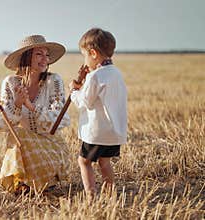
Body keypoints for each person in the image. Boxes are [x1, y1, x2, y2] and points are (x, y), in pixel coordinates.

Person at [0, 35, 70, 193]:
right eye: (39, 54)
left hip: (53, 148)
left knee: (20, 135)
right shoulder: (10, 83)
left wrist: (31, 106)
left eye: (46, 55)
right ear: (26, 57)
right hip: (25, 148)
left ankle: (39, 181)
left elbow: (61, 120)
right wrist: (16, 105)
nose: (45, 59)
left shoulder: (53, 81)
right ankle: (24, 183)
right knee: (16, 134)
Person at [69, 28, 128, 197]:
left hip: (97, 132)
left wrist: (74, 91)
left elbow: (85, 101)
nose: (85, 60)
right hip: (114, 132)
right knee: (105, 162)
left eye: (84, 55)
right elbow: (99, 96)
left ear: (93, 53)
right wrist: (84, 85)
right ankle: (110, 193)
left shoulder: (96, 76)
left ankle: (91, 195)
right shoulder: (116, 73)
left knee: (84, 161)